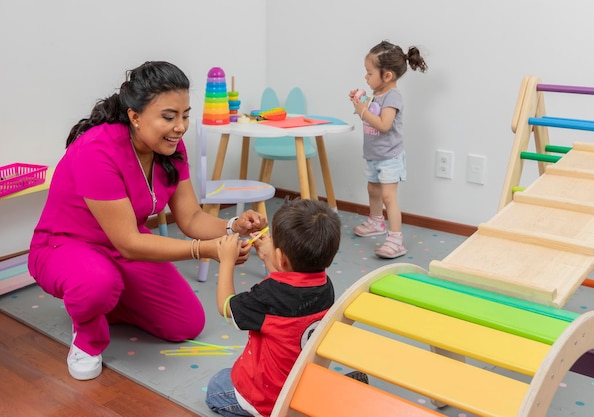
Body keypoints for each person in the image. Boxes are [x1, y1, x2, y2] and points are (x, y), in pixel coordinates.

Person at [27, 61, 266, 381]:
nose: (180, 127)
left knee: (186, 324)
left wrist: (232, 227)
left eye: (184, 115)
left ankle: (99, 300)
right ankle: (87, 335)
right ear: (135, 116)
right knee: (97, 284)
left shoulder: (171, 147)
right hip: (65, 245)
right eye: (169, 117)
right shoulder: (97, 149)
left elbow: (192, 217)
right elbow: (129, 241)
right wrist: (206, 249)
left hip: (123, 248)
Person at [205, 199, 341, 417]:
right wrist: (270, 255)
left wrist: (226, 261)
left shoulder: (266, 295)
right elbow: (288, 287)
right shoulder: (326, 285)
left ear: (281, 257)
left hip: (268, 398)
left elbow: (226, 306)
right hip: (301, 388)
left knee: (217, 386)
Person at [349, 40, 428, 259]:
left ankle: (396, 240)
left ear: (387, 76)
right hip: (374, 154)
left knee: (388, 196)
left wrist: (363, 112)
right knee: (373, 190)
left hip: (389, 156)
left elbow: (383, 124)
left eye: (369, 73)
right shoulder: (377, 93)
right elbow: (371, 113)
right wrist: (361, 103)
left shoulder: (393, 97)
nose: (366, 77)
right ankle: (376, 222)